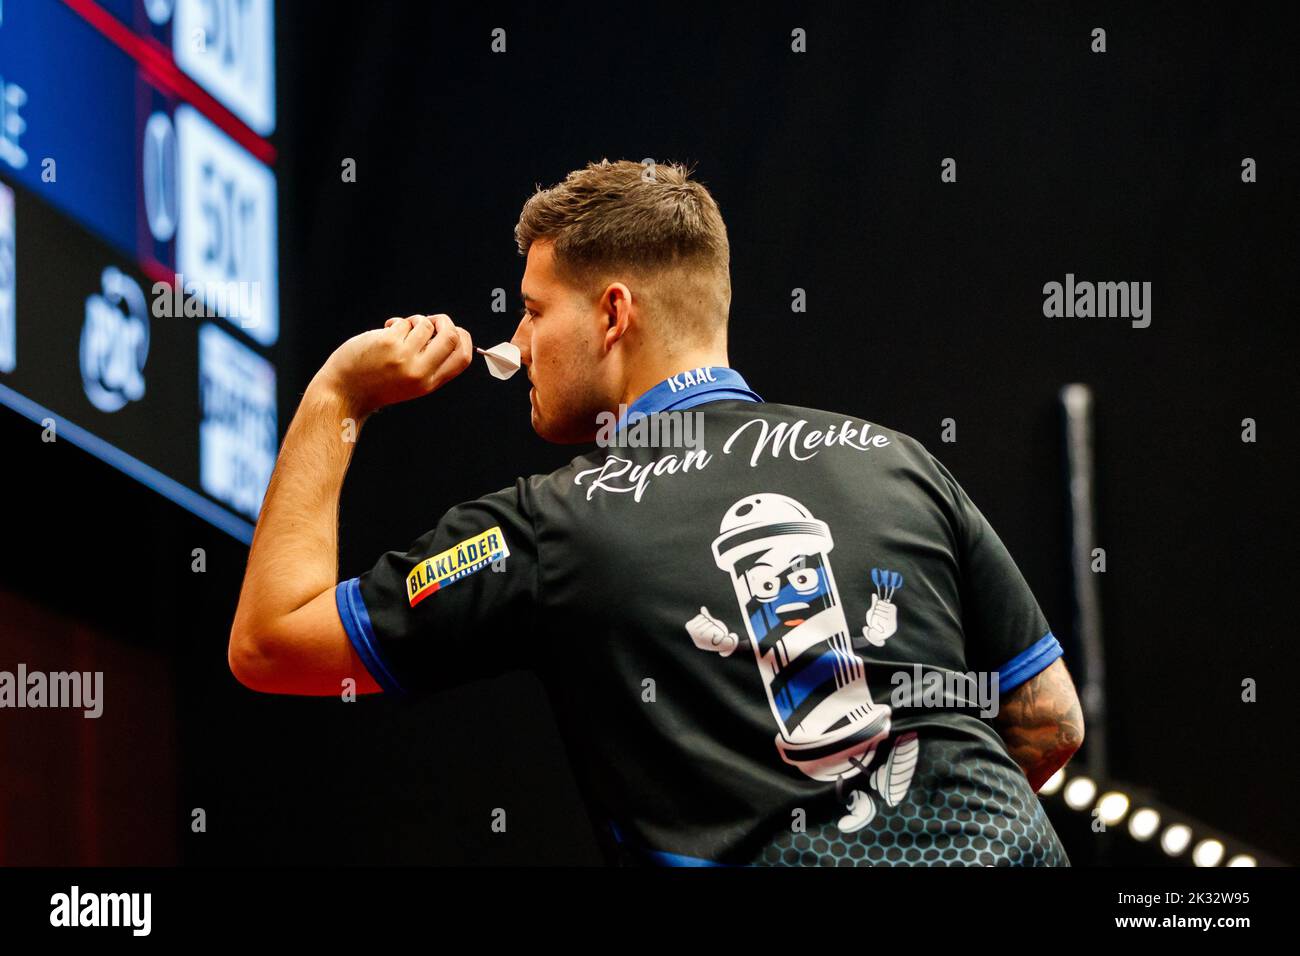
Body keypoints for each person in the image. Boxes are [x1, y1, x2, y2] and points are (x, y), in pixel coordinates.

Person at [228, 159, 1084, 866]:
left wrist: (337, 394)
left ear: (611, 312)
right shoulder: (897, 459)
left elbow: (270, 643)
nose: (519, 345)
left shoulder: (548, 527)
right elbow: (1050, 718)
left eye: (532, 311)